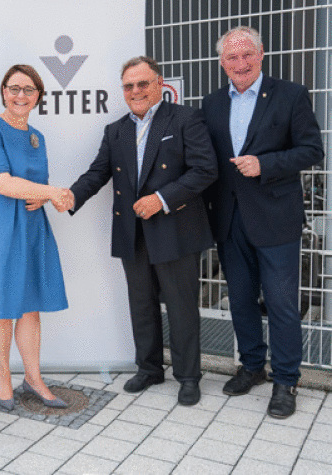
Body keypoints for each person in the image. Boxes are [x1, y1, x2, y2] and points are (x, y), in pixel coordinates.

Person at [64, 56, 218, 406]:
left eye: (142, 83)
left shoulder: (185, 119)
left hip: (174, 228)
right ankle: (149, 369)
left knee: (181, 307)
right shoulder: (115, 129)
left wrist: (161, 199)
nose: (136, 91)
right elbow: (97, 172)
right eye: (129, 86)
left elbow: (205, 170)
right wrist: (72, 195)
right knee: (141, 305)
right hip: (132, 232)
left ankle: (188, 376)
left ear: (159, 84)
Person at [202, 26, 324, 418]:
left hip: (276, 218)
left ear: (261, 54)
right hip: (229, 218)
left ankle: (286, 379)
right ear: (222, 62)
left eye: (247, 55)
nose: (240, 63)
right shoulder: (212, 103)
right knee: (240, 299)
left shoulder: (290, 95)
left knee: (282, 303)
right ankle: (252, 366)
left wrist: (266, 164)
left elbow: (312, 150)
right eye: (231, 58)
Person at [0, 64, 71, 410]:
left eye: (28, 89)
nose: (20, 95)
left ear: (38, 96)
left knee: (29, 307)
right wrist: (53, 191)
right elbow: (1, 181)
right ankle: (4, 378)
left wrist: (45, 196)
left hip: (29, 224)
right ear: (3, 92)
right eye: (14, 88)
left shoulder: (36, 135)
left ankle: (33, 377)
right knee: (1, 307)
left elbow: (35, 183)